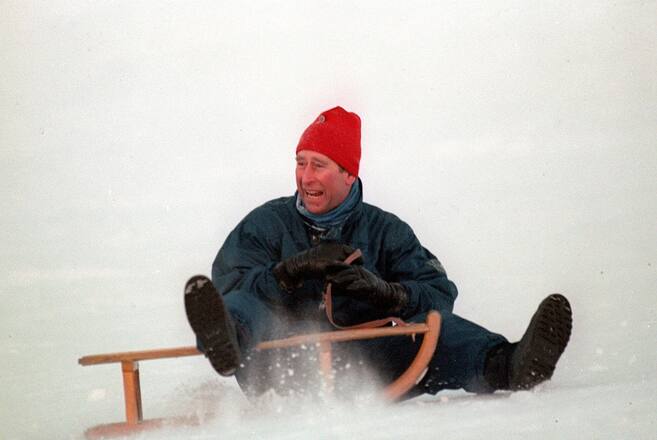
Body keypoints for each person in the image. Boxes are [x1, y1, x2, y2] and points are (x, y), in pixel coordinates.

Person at [184, 106, 572, 399]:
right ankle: (227, 344)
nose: (305, 177)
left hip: (369, 359)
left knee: (438, 325)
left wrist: (388, 293)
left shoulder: (385, 230)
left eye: (319, 165)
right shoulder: (266, 223)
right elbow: (230, 281)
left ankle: (510, 365)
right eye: (300, 163)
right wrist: (288, 273)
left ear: (348, 174)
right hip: (279, 361)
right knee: (237, 303)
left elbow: (438, 291)